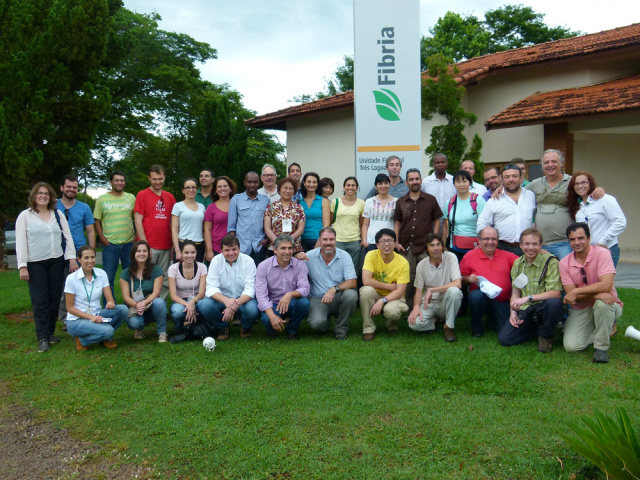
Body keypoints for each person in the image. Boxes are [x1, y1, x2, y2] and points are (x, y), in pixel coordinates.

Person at [16, 182, 75, 353]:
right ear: (34, 196)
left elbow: (68, 237)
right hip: (35, 264)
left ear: (51, 197)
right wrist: (22, 266)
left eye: (47, 193)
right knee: (40, 301)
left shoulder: (57, 214)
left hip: (56, 261)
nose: (43, 196)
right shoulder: (25, 216)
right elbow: (20, 242)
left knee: (55, 298)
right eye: (40, 193)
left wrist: (71, 258)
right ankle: (42, 337)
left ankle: (50, 333)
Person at [560, 223, 623, 363]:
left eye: (581, 238)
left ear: (589, 238)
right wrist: (595, 293)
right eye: (572, 239)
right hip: (581, 307)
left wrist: (577, 291)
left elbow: (606, 285)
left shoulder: (602, 253)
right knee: (571, 346)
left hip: (609, 305)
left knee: (602, 303)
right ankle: (603, 330)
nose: (577, 242)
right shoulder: (564, 263)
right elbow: (571, 296)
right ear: (569, 241)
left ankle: (601, 348)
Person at [523, 149, 604, 260]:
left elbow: (587, 193)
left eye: (554, 161)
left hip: (565, 243)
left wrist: (598, 189)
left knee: (568, 274)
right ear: (542, 165)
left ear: (561, 163)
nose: (550, 165)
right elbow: (516, 193)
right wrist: (500, 189)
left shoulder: (572, 182)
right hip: (541, 244)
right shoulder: (535, 184)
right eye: (546, 162)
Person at [497, 228, 563, 353]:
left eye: (535, 244)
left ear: (540, 245)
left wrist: (528, 298)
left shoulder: (551, 261)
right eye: (527, 244)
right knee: (505, 339)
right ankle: (536, 331)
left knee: (554, 303)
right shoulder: (518, 263)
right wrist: (513, 311)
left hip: (544, 306)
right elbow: (515, 292)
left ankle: (546, 336)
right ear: (521, 245)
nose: (531, 248)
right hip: (527, 308)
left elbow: (555, 293)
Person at [297, 227, 358, 340]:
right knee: (318, 324)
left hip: (337, 297)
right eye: (325, 240)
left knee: (351, 295)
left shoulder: (344, 256)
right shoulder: (309, 256)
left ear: (336, 240)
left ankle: (341, 329)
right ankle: (324, 323)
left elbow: (353, 282)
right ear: (319, 241)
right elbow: (295, 274)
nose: (328, 243)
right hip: (317, 299)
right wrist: (296, 258)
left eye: (331, 239)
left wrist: (334, 289)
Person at [394, 168, 442, 309]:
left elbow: (437, 220)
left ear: (421, 181)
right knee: (408, 279)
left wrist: (434, 241)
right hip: (406, 247)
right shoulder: (401, 201)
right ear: (407, 182)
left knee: (428, 279)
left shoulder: (430, 200)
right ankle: (409, 307)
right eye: (411, 179)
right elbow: (397, 223)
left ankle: (428, 307)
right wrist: (396, 242)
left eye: (417, 179)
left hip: (425, 247)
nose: (414, 182)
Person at [64, 245, 128, 351]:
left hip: (97, 316)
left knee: (123, 310)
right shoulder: (71, 279)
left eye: (92, 257)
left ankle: (103, 337)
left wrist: (110, 303)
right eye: (86, 258)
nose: (90, 261)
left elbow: (110, 298)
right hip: (76, 321)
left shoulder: (101, 274)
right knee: (108, 331)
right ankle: (82, 340)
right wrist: (90, 317)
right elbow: (70, 308)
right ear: (79, 259)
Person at [460, 227, 518, 337]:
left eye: (494, 239)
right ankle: (477, 327)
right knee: (475, 296)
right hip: (481, 299)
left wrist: (540, 252)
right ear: (479, 240)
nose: (490, 242)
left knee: (505, 328)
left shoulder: (507, 255)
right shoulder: (470, 256)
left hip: (502, 300)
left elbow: (523, 263)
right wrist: (468, 278)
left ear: (497, 241)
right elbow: (460, 279)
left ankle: (492, 320)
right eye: (486, 239)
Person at [202, 234, 260, 340]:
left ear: (239, 248)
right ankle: (223, 327)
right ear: (221, 251)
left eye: (234, 249)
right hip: (222, 299)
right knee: (205, 305)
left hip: (243, 300)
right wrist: (226, 301)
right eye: (227, 250)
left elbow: (251, 289)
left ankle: (245, 327)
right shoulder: (215, 261)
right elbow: (211, 288)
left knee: (253, 308)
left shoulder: (248, 261)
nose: (231, 253)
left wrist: (234, 303)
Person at [56, 175, 95, 328]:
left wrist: (90, 251)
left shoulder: (84, 207)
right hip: (56, 251)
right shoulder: (53, 205)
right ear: (62, 188)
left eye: (74, 187)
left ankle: (76, 316)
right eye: (68, 187)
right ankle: (63, 317)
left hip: (79, 252)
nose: (71, 190)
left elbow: (90, 230)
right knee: (59, 286)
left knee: (77, 286)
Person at [407, 234, 463, 342]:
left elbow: (458, 283)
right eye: (432, 245)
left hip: (446, 303)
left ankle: (449, 327)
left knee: (455, 292)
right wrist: (416, 307)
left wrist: (432, 290)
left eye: (438, 245)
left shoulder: (451, 257)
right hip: (429, 304)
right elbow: (418, 291)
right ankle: (434, 321)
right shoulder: (421, 265)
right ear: (427, 249)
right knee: (414, 324)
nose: (436, 248)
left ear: (442, 246)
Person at [256, 234, 310, 340]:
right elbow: (261, 295)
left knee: (304, 303)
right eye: (283, 248)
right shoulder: (263, 266)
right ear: (275, 250)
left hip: (291, 302)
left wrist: (290, 294)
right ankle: (272, 329)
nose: (287, 251)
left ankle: (292, 330)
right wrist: (271, 315)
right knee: (267, 319)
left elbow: (305, 288)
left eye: (290, 248)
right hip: (273, 303)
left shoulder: (300, 264)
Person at [567, 171, 626, 268]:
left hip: (606, 249)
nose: (580, 186)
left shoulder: (604, 200)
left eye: (584, 182)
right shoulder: (577, 205)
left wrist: (603, 242)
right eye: (576, 184)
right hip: (587, 252)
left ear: (590, 183)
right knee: (591, 282)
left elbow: (620, 222)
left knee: (605, 282)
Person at [360, 229, 410, 341]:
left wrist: (381, 301)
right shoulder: (371, 255)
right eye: (383, 241)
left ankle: (391, 325)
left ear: (395, 243)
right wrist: (389, 286)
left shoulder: (403, 262)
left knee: (392, 312)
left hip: (395, 296)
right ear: (377, 244)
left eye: (390, 241)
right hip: (377, 293)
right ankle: (368, 329)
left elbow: (400, 290)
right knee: (365, 290)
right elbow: (366, 281)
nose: (386, 244)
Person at [134, 165, 176, 299]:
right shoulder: (142, 195)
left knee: (163, 277)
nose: (158, 182)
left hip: (165, 244)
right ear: (149, 178)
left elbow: (174, 223)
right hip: (149, 244)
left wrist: (173, 245)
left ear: (164, 178)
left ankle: (159, 306)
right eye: (154, 179)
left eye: (160, 179)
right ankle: (142, 305)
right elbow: (138, 221)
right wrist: (144, 245)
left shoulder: (169, 197)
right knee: (145, 276)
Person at [93, 170, 136, 298]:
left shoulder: (131, 198)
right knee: (108, 279)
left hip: (128, 243)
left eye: (122, 180)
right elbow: (97, 220)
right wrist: (102, 238)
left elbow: (138, 218)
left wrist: (135, 236)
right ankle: (110, 309)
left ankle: (132, 309)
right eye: (116, 180)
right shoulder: (102, 199)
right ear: (111, 182)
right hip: (110, 245)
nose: (119, 183)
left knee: (130, 278)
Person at [477, 165, 536, 256]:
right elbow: (483, 222)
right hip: (502, 248)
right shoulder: (494, 199)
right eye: (507, 177)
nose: (511, 179)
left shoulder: (530, 196)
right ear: (501, 179)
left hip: (527, 248)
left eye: (515, 176)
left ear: (520, 178)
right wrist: (483, 241)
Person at [120, 240, 168, 343]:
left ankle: (162, 332)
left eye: (144, 251)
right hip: (135, 308)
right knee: (134, 323)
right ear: (133, 253)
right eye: (138, 251)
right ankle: (139, 329)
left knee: (159, 302)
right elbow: (126, 297)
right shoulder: (125, 273)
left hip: (151, 306)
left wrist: (144, 303)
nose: (142, 254)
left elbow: (156, 293)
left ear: (149, 253)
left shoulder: (156, 270)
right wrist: (137, 305)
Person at [167, 240, 215, 343]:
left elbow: (202, 292)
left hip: (197, 300)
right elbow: (173, 296)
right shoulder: (173, 268)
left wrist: (192, 302)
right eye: (186, 252)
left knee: (205, 306)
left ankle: (196, 327)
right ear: (181, 253)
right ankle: (180, 329)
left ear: (196, 253)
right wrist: (188, 305)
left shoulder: (202, 267)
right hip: (180, 301)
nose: (190, 255)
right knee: (178, 311)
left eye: (192, 252)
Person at [228, 171, 270, 266]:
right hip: (242, 245)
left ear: (259, 183)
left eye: (255, 182)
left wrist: (266, 240)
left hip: (259, 245)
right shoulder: (236, 199)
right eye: (249, 182)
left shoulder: (266, 200)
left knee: (259, 273)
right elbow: (231, 226)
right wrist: (235, 243)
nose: (252, 185)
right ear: (244, 183)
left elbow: (268, 222)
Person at [443, 170, 486, 261]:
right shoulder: (450, 202)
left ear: (470, 183)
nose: (461, 184)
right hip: (454, 247)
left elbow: (485, 224)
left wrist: (483, 242)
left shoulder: (478, 200)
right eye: (458, 181)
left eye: (464, 181)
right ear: (454, 184)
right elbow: (445, 226)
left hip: (475, 247)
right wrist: (443, 246)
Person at [331, 176, 365, 272]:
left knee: (354, 268)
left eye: (353, 185)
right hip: (338, 241)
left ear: (357, 188)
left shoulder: (361, 203)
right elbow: (330, 221)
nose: (350, 187)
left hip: (355, 241)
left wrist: (363, 239)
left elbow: (362, 224)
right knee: (337, 268)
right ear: (343, 187)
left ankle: (351, 287)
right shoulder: (335, 202)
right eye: (348, 185)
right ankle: (338, 287)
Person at [264, 177, 306, 254]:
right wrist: (278, 243)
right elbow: (267, 228)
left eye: (291, 188)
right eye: (285, 188)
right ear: (279, 190)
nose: (288, 191)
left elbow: (300, 229)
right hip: (275, 248)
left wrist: (288, 242)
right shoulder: (271, 207)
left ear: (294, 191)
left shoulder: (299, 208)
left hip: (293, 248)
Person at [171, 178, 206, 263]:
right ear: (183, 190)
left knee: (197, 274)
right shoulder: (177, 206)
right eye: (187, 188)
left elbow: (204, 229)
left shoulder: (202, 207)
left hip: (199, 245)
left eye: (193, 187)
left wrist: (206, 249)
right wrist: (177, 250)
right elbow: (174, 229)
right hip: (183, 245)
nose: (191, 190)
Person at [361, 173, 397, 253]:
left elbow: (397, 224)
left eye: (386, 183)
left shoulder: (396, 202)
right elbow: (365, 224)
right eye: (380, 183)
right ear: (375, 186)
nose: (383, 186)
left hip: (389, 243)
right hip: (372, 242)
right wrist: (364, 242)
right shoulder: (369, 201)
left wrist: (395, 241)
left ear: (389, 185)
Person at [204, 176, 237, 261]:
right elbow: (207, 230)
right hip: (217, 248)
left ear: (230, 188)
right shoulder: (211, 207)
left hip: (235, 248)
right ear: (215, 190)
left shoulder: (238, 205)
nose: (222, 188)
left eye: (225, 186)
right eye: (219, 187)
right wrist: (209, 250)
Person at [298, 172, 330, 252]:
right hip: (301, 241)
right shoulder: (298, 202)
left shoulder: (324, 201)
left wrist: (319, 241)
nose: (311, 184)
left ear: (317, 184)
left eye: (314, 182)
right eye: (309, 182)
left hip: (317, 240)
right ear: (304, 183)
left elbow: (326, 224)